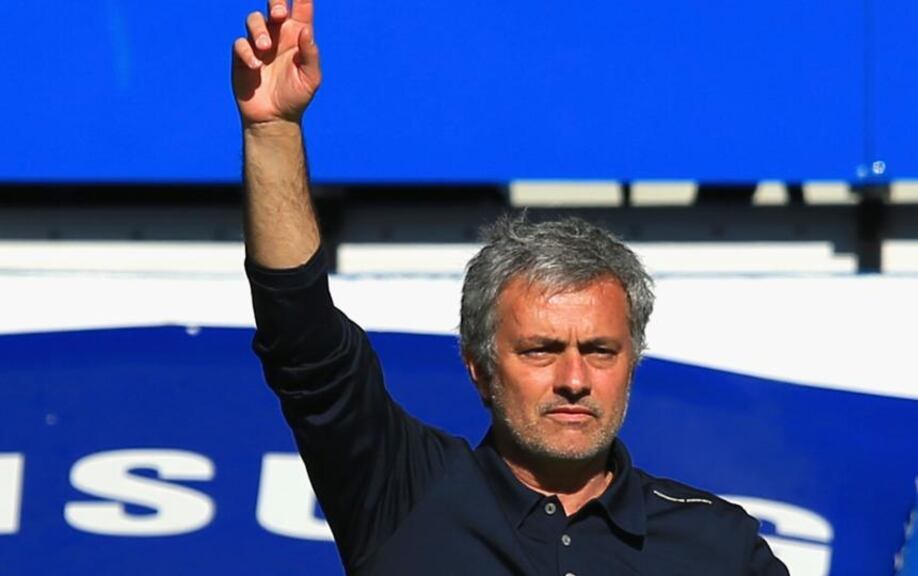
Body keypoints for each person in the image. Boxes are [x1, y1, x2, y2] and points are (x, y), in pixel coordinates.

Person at [232, 1, 789, 574]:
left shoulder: (716, 543)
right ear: (478, 366)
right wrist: (272, 131)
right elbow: (303, 340)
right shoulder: (403, 493)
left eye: (600, 351)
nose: (574, 380)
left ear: (633, 361)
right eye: (541, 350)